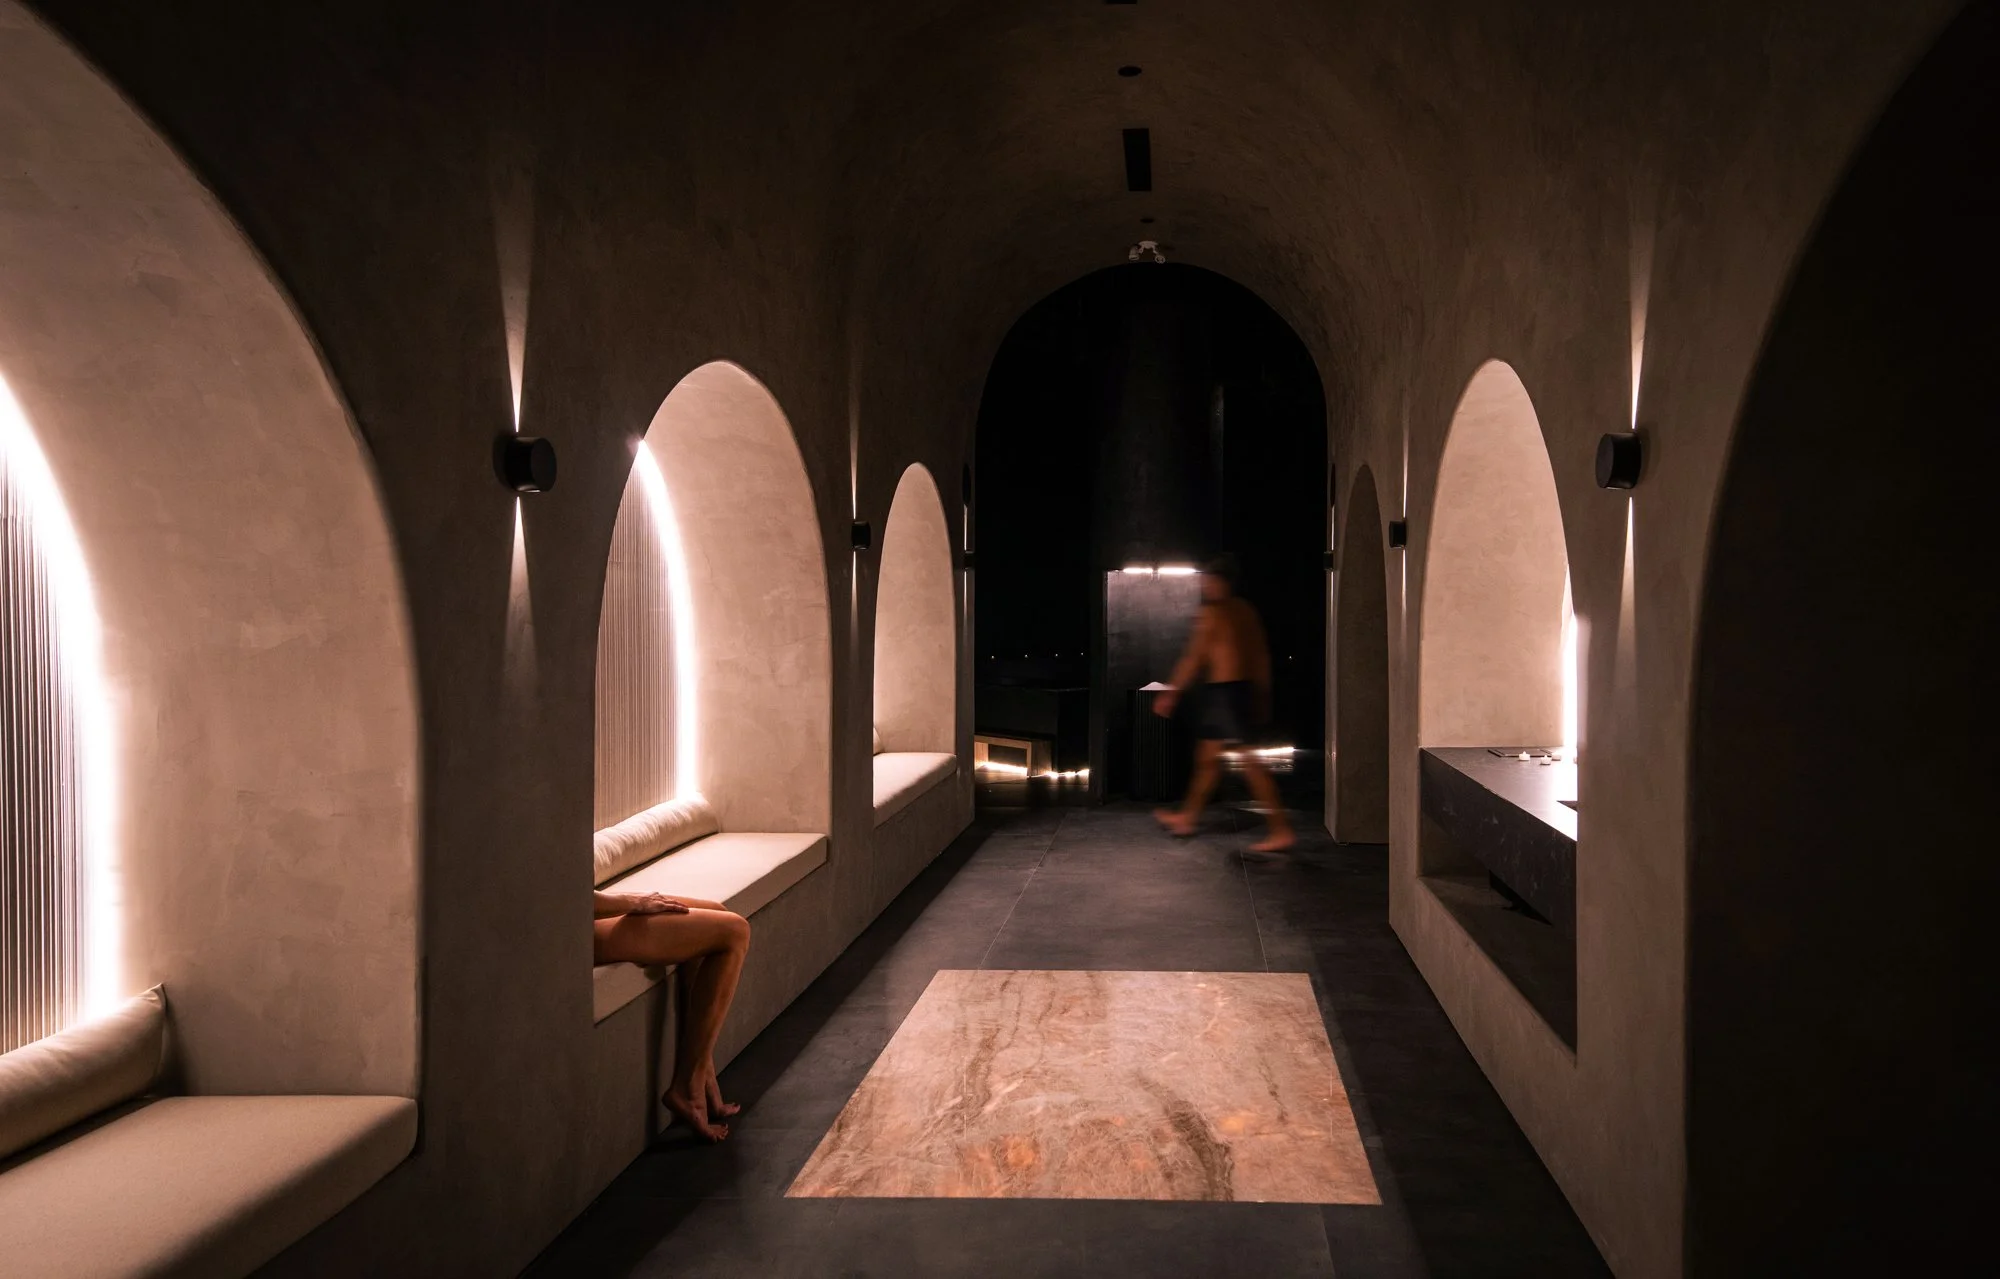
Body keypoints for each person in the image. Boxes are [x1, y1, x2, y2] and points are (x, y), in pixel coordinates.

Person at [1152, 555, 1295, 851]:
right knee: (1207, 760)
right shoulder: (1240, 610)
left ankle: (1280, 829)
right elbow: (1258, 656)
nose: (1206, 586)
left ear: (1224, 583)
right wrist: (1261, 694)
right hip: (1228, 694)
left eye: (1211, 581)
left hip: (1228, 695)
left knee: (1248, 762)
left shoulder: (1221, 613)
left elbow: (1195, 657)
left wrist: (1171, 693)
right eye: (1205, 581)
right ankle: (1187, 817)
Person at [593, 889, 751, 1142]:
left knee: (717, 912)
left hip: (585, 908)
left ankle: (702, 1073)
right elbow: (567, 899)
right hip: (570, 927)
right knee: (735, 930)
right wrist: (633, 902)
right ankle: (688, 1085)